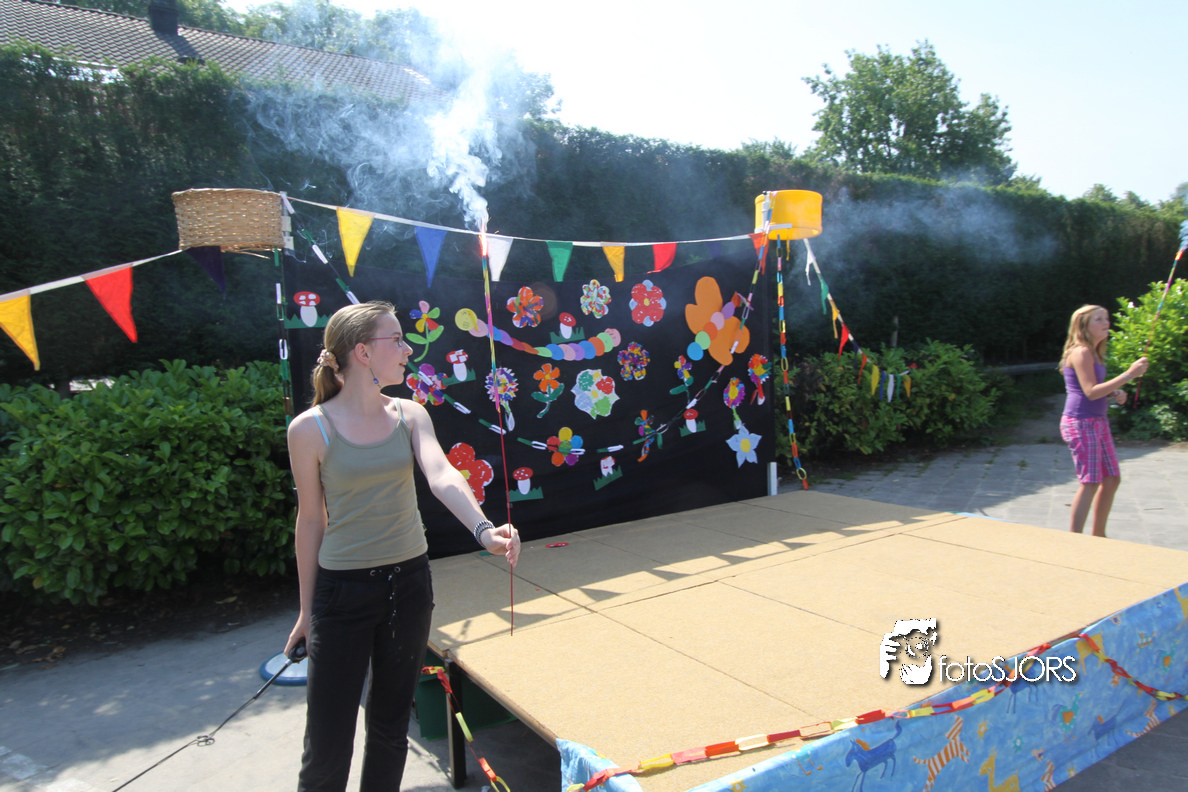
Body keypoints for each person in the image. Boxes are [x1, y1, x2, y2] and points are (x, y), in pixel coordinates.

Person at [284, 300, 520, 792]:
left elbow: (442, 474)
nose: (408, 350)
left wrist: (484, 531)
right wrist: (307, 613)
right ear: (363, 352)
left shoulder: (410, 414)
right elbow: (310, 521)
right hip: (341, 596)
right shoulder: (309, 429)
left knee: (390, 731)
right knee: (327, 744)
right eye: (397, 339)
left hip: (409, 587)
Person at [1058, 304, 1148, 538]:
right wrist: (1129, 374)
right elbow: (1089, 392)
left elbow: (1092, 389)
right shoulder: (1081, 352)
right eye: (1098, 319)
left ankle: (1099, 536)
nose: (1106, 323)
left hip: (1097, 421)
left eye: (1106, 318)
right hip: (1080, 422)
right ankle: (1074, 539)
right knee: (1090, 481)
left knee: (1112, 479)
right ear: (1083, 326)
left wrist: (1113, 392)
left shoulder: (1094, 352)